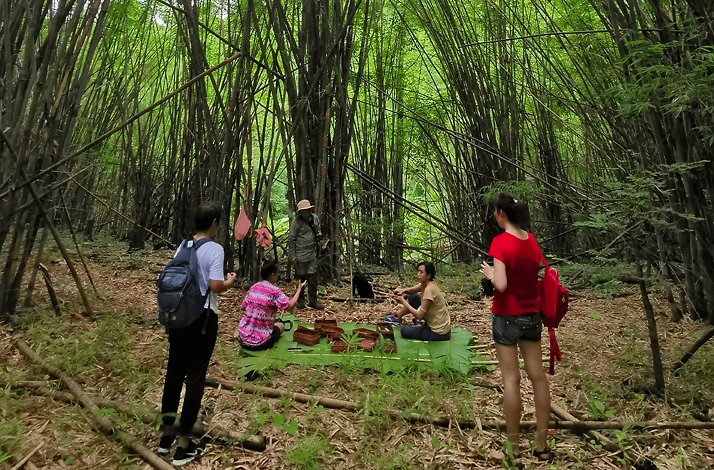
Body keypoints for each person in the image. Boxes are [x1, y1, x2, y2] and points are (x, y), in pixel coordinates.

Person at [157, 203, 236, 466]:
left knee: (174, 372)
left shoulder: (184, 245)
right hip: (202, 319)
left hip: (178, 318)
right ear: (214, 221)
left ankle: (165, 435)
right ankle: (184, 444)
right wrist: (230, 281)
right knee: (195, 377)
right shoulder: (215, 248)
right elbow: (214, 285)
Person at [480, 192, 552, 462]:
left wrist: (489, 273)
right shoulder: (530, 240)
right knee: (538, 377)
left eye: (495, 214)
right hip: (532, 315)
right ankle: (542, 446)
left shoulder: (500, 243)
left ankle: (513, 448)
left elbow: (500, 286)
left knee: (511, 379)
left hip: (507, 317)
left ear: (501, 214)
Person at [236, 261, 306, 350]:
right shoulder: (274, 291)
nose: (278, 276)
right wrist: (299, 289)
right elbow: (290, 307)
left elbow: (243, 306)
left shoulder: (254, 287)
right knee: (281, 325)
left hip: (244, 338)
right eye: (277, 273)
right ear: (272, 275)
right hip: (261, 342)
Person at [385, 261, 451, 341]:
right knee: (414, 297)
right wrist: (402, 290)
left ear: (428, 275)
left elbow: (419, 315)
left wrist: (403, 301)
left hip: (438, 333)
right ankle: (397, 316)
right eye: (418, 271)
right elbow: (412, 290)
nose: (418, 274)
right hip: (437, 325)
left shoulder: (429, 290)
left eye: (421, 272)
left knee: (405, 330)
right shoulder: (426, 284)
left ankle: (422, 324)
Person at [288, 199, 324, 309]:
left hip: (312, 253)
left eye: (306, 210)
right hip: (300, 255)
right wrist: (292, 255)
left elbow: (318, 230)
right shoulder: (296, 222)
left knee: (312, 277)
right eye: (303, 211)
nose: (305, 212)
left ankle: (313, 301)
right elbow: (291, 239)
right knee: (300, 278)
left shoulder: (315, 218)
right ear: (300, 212)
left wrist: (319, 236)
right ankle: (300, 301)